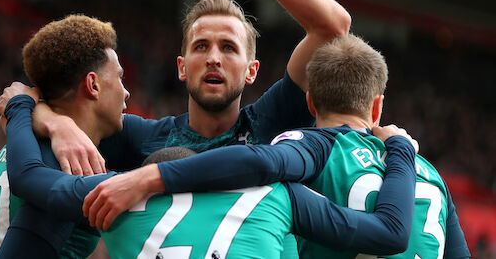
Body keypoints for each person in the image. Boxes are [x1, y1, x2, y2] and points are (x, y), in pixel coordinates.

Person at [0, 0, 352, 172]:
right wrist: (58, 125)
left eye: (228, 48)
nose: (213, 58)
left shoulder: (273, 122)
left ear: (251, 70)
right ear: (181, 66)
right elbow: (20, 95)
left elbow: (334, 26)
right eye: (201, 47)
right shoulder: (141, 138)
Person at [86, 35, 470, 258]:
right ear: (377, 106)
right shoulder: (432, 175)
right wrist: (401, 147)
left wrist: (152, 177)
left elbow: (258, 162)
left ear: (310, 104)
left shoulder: (313, 146)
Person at [0, 91, 419, 258]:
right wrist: (400, 148)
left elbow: (28, 177)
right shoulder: (280, 197)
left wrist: (24, 105)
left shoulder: (120, 196)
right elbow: (390, 232)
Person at [0, 15, 128, 258]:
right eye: (120, 77)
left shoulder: (16, 145)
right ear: (93, 85)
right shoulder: (69, 164)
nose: (126, 92)